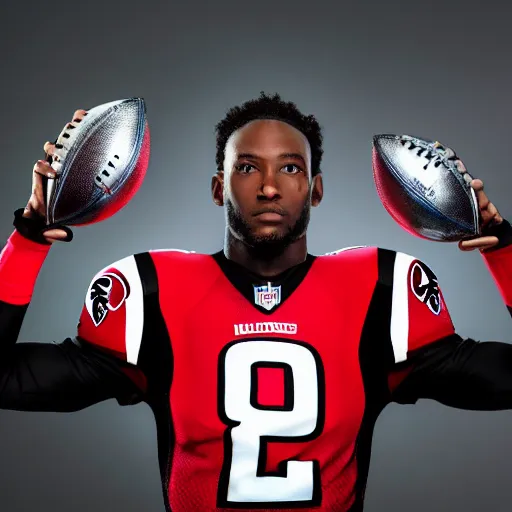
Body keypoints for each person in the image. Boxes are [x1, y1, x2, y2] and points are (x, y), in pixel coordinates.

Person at [0, 92, 511, 512]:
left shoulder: (382, 290)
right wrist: (29, 235)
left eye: (290, 169)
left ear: (315, 190)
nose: (269, 187)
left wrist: (501, 247)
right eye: (247, 168)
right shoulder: (149, 292)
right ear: (219, 188)